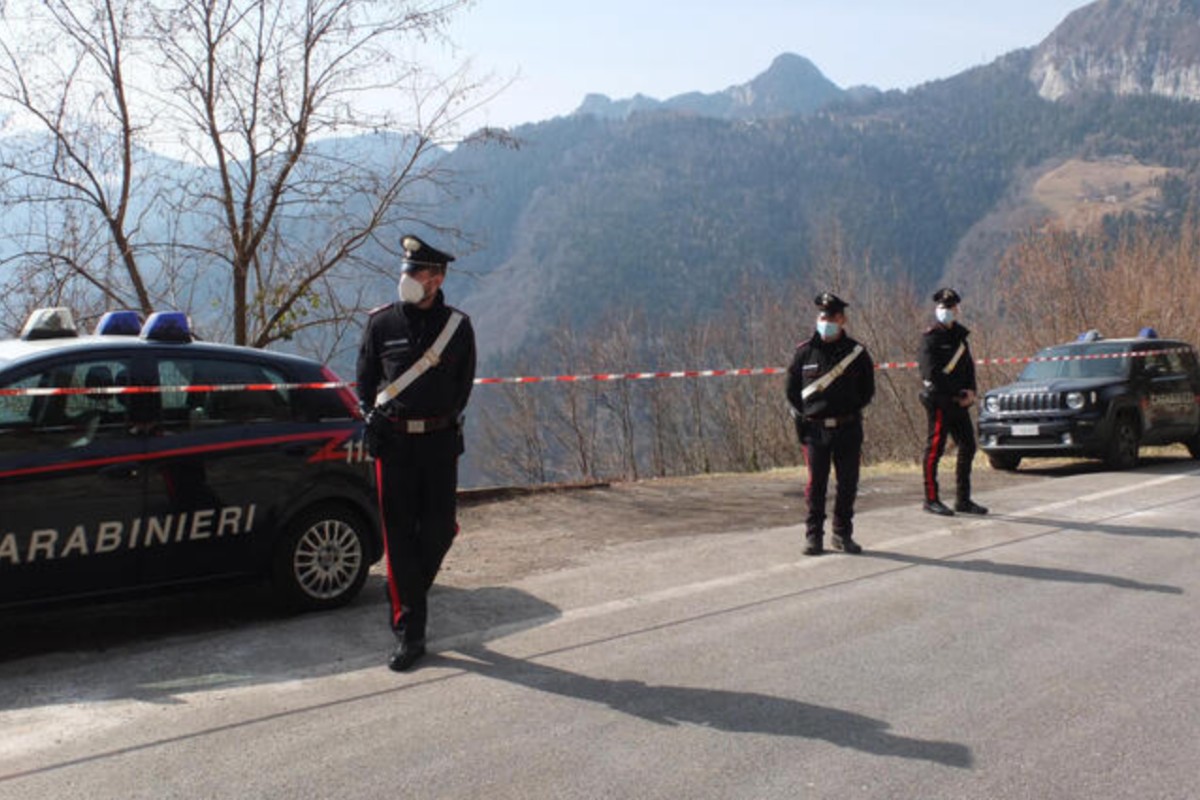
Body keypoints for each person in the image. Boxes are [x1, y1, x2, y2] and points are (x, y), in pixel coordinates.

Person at [357, 234, 477, 671]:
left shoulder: (457, 327)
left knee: (440, 530)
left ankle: (404, 593)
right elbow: (365, 381)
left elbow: (463, 387)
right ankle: (410, 633)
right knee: (399, 536)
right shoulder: (381, 323)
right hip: (394, 443)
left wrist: (439, 418)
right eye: (405, 269)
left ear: (436, 279)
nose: (406, 277)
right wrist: (371, 417)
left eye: (416, 271)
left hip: (440, 442)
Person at [786, 292, 876, 556]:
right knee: (817, 486)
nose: (827, 322)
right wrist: (807, 415)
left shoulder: (857, 353)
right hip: (815, 431)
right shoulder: (804, 353)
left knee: (848, 484)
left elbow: (867, 390)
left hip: (848, 428)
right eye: (823, 317)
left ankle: (842, 533)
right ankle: (814, 536)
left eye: (832, 317)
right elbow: (791, 391)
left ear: (842, 320)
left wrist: (848, 408)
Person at [918, 288, 987, 516]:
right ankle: (931, 499)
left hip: (960, 402)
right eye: (943, 307)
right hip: (940, 402)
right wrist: (957, 391)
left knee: (968, 446)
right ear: (937, 309)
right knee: (934, 450)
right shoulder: (930, 338)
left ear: (957, 310)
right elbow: (930, 373)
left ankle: (963, 499)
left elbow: (968, 367)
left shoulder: (960, 336)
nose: (947, 311)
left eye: (951, 307)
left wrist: (971, 391)